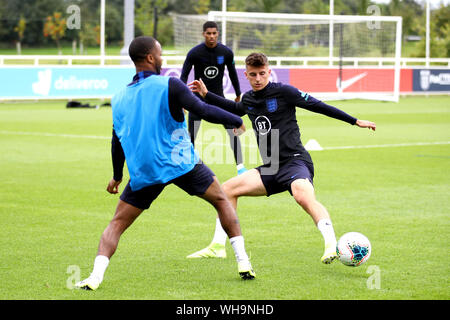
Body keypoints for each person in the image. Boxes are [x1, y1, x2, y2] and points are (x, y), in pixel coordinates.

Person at [74, 36, 255, 291]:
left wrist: (117, 176)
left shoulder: (119, 97)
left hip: (144, 171)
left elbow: (116, 140)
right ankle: (243, 261)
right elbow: (201, 109)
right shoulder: (169, 84)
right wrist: (234, 119)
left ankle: (94, 277)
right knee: (222, 199)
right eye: (160, 54)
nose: (162, 58)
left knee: (116, 224)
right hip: (182, 163)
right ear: (150, 57)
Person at [187, 52, 376, 263]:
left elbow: (318, 106)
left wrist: (354, 120)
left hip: (295, 161)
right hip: (271, 168)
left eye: (261, 73)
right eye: (253, 75)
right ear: (246, 75)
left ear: (269, 72)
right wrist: (206, 95)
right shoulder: (249, 99)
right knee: (227, 189)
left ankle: (331, 245)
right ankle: (217, 246)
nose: (258, 79)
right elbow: (234, 109)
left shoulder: (285, 92)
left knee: (302, 196)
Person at [180, 21, 247, 175]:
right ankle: (189, 168)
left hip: (218, 99)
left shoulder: (226, 53)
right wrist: (182, 99)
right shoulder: (194, 53)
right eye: (208, 33)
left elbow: (232, 73)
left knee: (233, 131)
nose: (211, 36)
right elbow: (183, 75)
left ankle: (240, 168)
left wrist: (238, 94)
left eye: (214, 33)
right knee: (191, 134)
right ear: (203, 34)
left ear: (218, 34)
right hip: (197, 100)